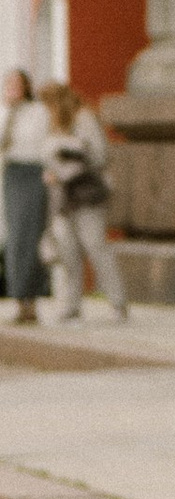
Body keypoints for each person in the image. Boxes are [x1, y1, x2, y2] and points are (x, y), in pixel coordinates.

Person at [41, 84, 125, 324]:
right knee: (68, 251)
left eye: (49, 105)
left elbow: (98, 155)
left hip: (87, 193)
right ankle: (72, 305)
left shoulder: (83, 118)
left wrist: (64, 167)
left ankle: (117, 302)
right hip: (64, 197)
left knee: (95, 245)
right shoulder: (56, 124)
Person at [0, 70, 49, 324]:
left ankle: (31, 299)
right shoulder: (4, 112)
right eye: (8, 84)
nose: (12, 89)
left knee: (29, 237)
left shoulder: (38, 111)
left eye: (16, 84)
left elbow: (39, 142)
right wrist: (9, 111)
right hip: (12, 173)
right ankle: (20, 299)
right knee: (15, 238)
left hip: (34, 172)